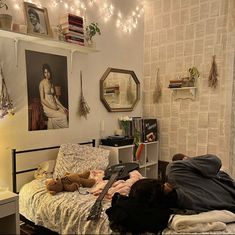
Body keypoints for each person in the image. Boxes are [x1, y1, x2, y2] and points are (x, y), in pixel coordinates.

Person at [106, 154, 235, 233]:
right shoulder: (174, 169)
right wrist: (189, 161)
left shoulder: (180, 208)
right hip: (228, 186)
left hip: (230, 204)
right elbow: (215, 161)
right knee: (177, 157)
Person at [39, 63, 68, 129]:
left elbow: (54, 98)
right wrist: (53, 107)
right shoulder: (42, 83)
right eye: (45, 72)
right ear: (43, 73)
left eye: (48, 72)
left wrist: (63, 107)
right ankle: (63, 133)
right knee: (63, 116)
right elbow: (42, 99)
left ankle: (54, 131)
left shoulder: (51, 82)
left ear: (50, 72)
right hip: (47, 107)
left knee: (65, 111)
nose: (47, 74)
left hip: (54, 104)